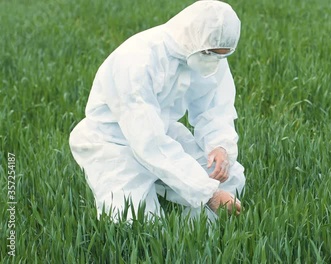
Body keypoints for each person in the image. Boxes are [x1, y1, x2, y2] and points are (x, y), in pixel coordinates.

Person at [69, 0, 245, 221]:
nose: (215, 61)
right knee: (138, 225)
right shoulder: (137, 60)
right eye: (212, 53)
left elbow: (214, 107)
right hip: (114, 143)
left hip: (162, 130)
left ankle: (196, 238)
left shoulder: (209, 51)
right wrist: (208, 193)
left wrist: (219, 146)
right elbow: (147, 140)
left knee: (230, 180)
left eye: (223, 55)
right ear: (195, 38)